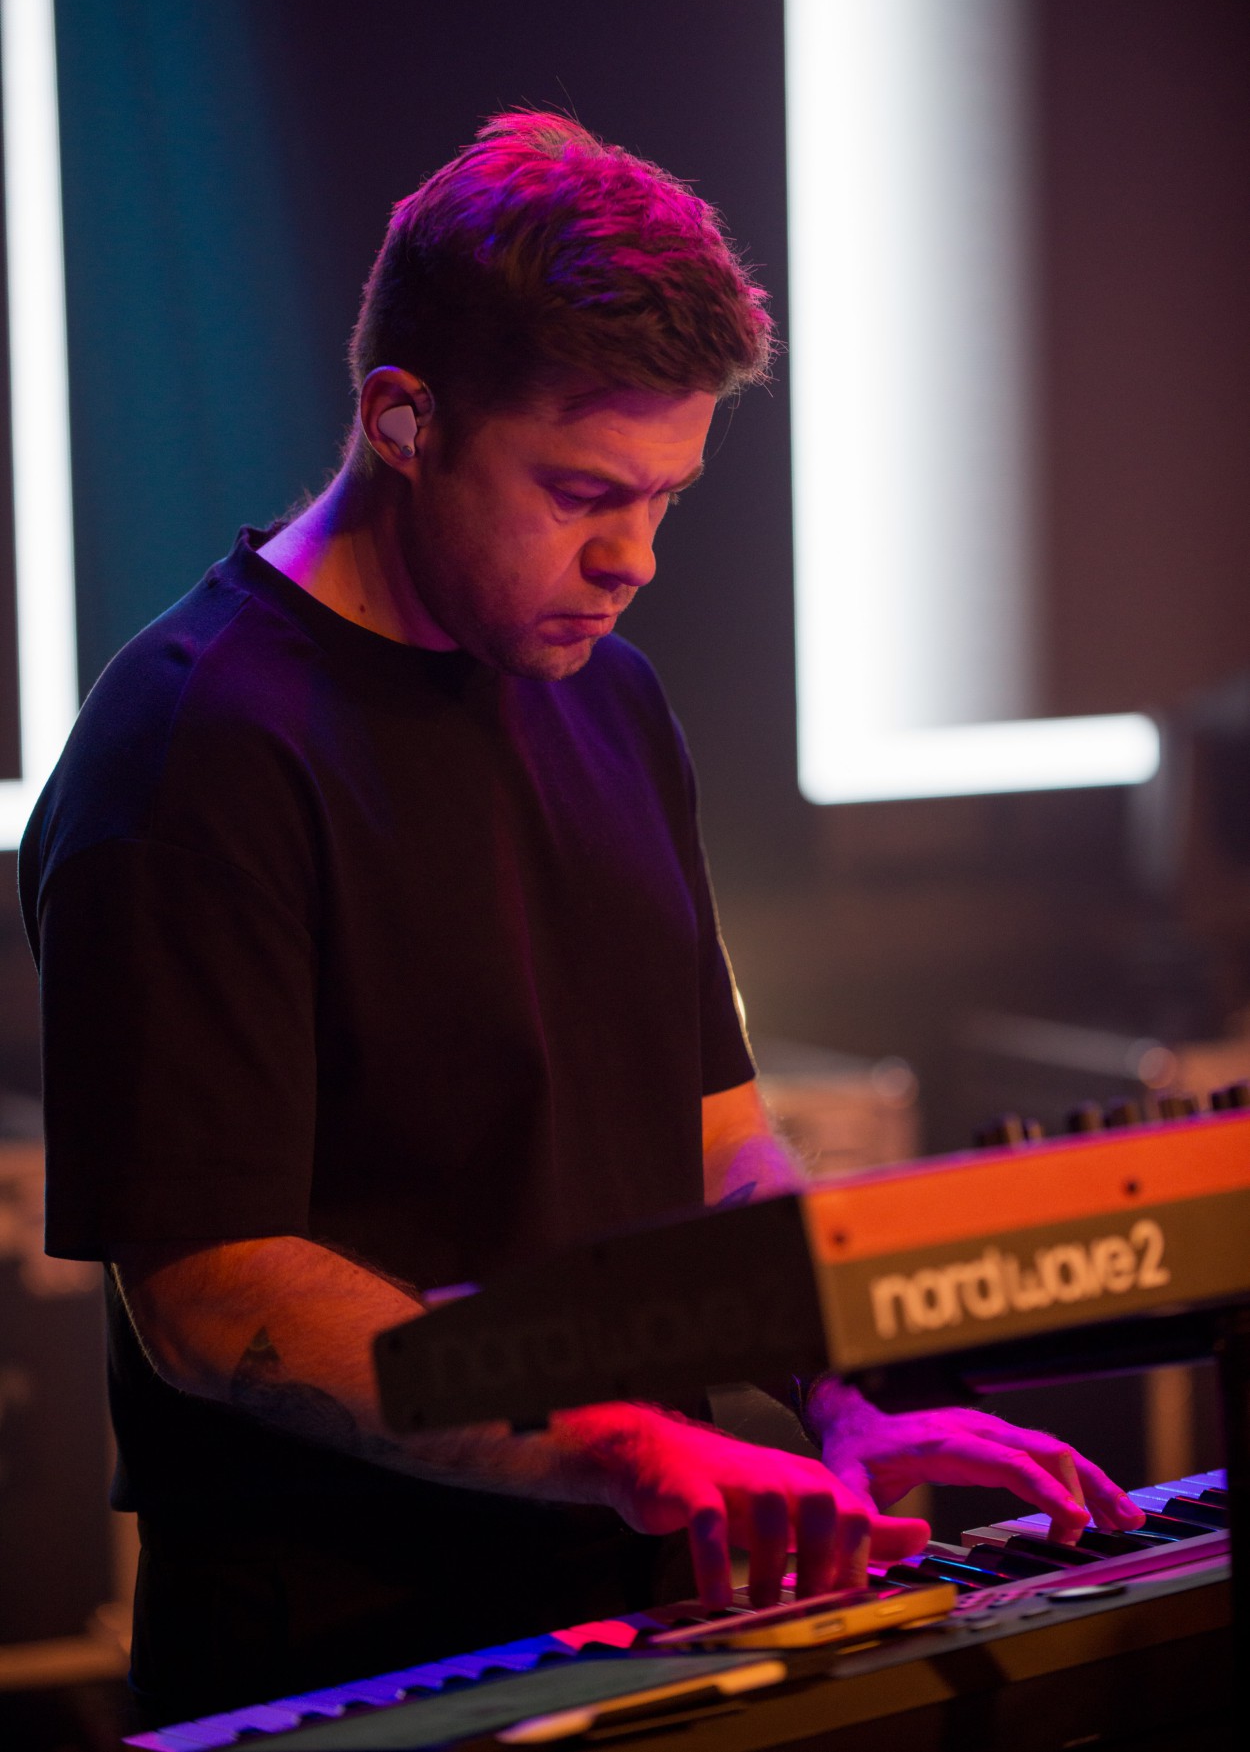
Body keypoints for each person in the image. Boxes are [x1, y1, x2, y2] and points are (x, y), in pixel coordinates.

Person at [19, 112, 1143, 1726]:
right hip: (354, 1649)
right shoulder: (197, 746)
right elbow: (213, 1294)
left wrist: (843, 1402)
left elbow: (721, 1143)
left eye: (664, 498)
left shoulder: (610, 697)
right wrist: (623, 1439)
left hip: (649, 1594)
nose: (633, 558)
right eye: (579, 493)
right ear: (402, 419)